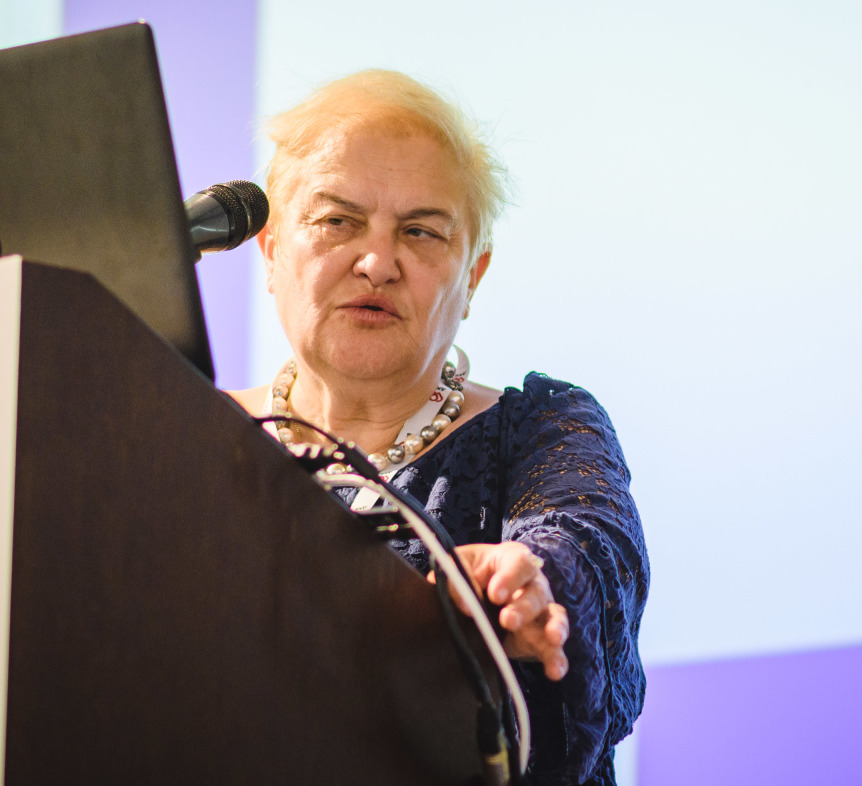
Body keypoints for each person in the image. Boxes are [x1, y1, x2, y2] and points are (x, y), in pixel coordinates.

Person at [227, 69, 649, 785]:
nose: (376, 263)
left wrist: (526, 587)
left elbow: (586, 542)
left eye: (420, 232)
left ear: (472, 278)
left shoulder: (541, 428)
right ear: (270, 252)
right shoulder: (191, 437)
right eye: (337, 222)